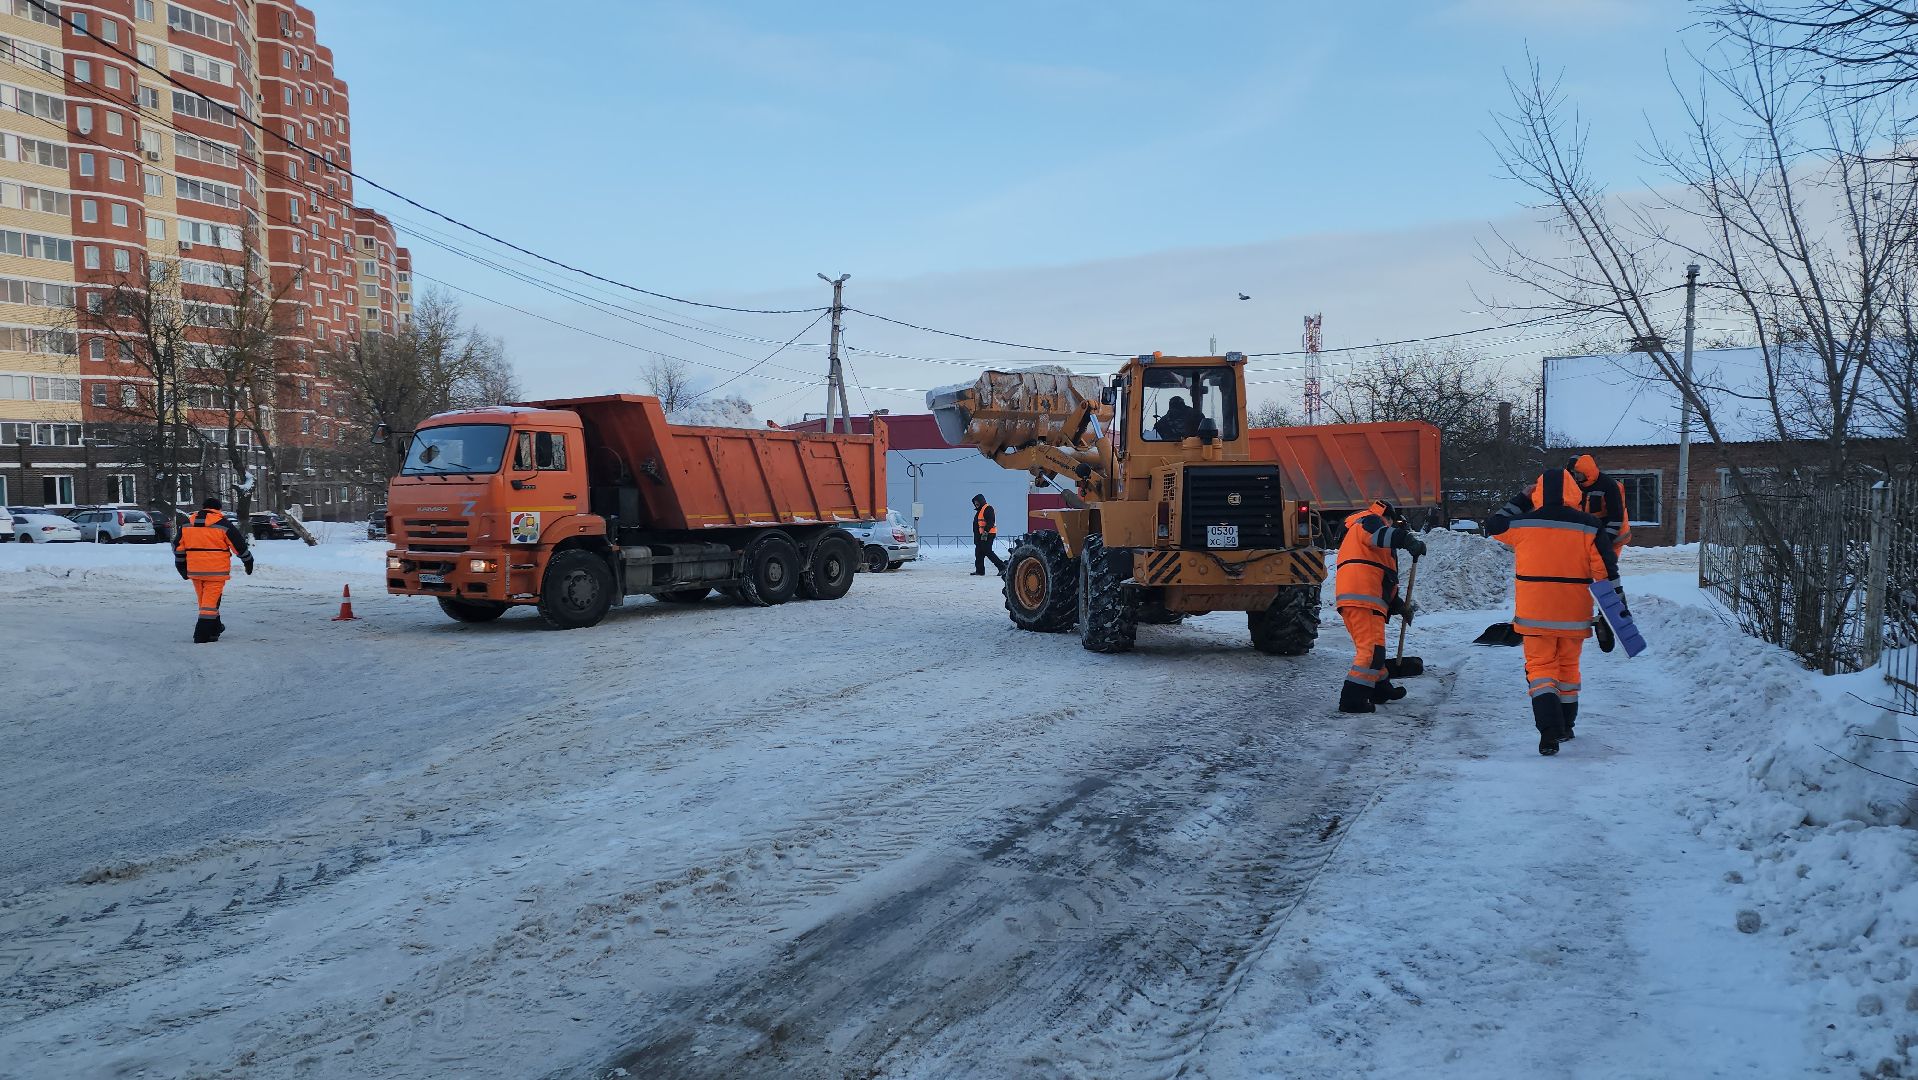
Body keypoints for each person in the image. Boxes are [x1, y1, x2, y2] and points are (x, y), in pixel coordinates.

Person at [1492, 468, 1612, 755]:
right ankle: (1566, 726)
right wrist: (1612, 613)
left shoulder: (1522, 525)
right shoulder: (1590, 526)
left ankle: (1549, 732)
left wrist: (1522, 498)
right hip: (1574, 615)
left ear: (1539, 492)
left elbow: (1494, 524)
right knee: (1568, 668)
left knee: (1541, 670)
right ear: (1574, 491)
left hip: (1534, 616)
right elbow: (1604, 573)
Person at [1333, 499, 1426, 713]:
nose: (1391, 526)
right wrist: (1407, 540)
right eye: (1392, 522)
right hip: (1362, 596)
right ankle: (1352, 701)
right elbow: (1380, 535)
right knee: (1371, 652)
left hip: (1363, 597)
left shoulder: (1365, 538)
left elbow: (1381, 575)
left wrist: (1398, 605)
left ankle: (1380, 689)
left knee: (1374, 649)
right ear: (1387, 517)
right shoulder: (1370, 521)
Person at [173, 497, 253, 643]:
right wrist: (248, 561)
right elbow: (239, 545)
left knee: (205, 602)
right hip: (216, 571)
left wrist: (181, 567)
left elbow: (178, 547)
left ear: (203, 507)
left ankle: (214, 629)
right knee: (209, 605)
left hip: (195, 570)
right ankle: (201, 634)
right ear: (218, 509)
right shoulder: (223, 524)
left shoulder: (187, 524)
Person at [970, 493, 1006, 576]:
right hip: (980, 535)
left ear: (981, 501)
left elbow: (990, 521)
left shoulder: (988, 508)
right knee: (979, 552)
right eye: (975, 503)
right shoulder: (979, 511)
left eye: (977, 502)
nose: (976, 504)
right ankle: (980, 571)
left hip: (988, 534)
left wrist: (985, 532)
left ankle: (1002, 567)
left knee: (987, 551)